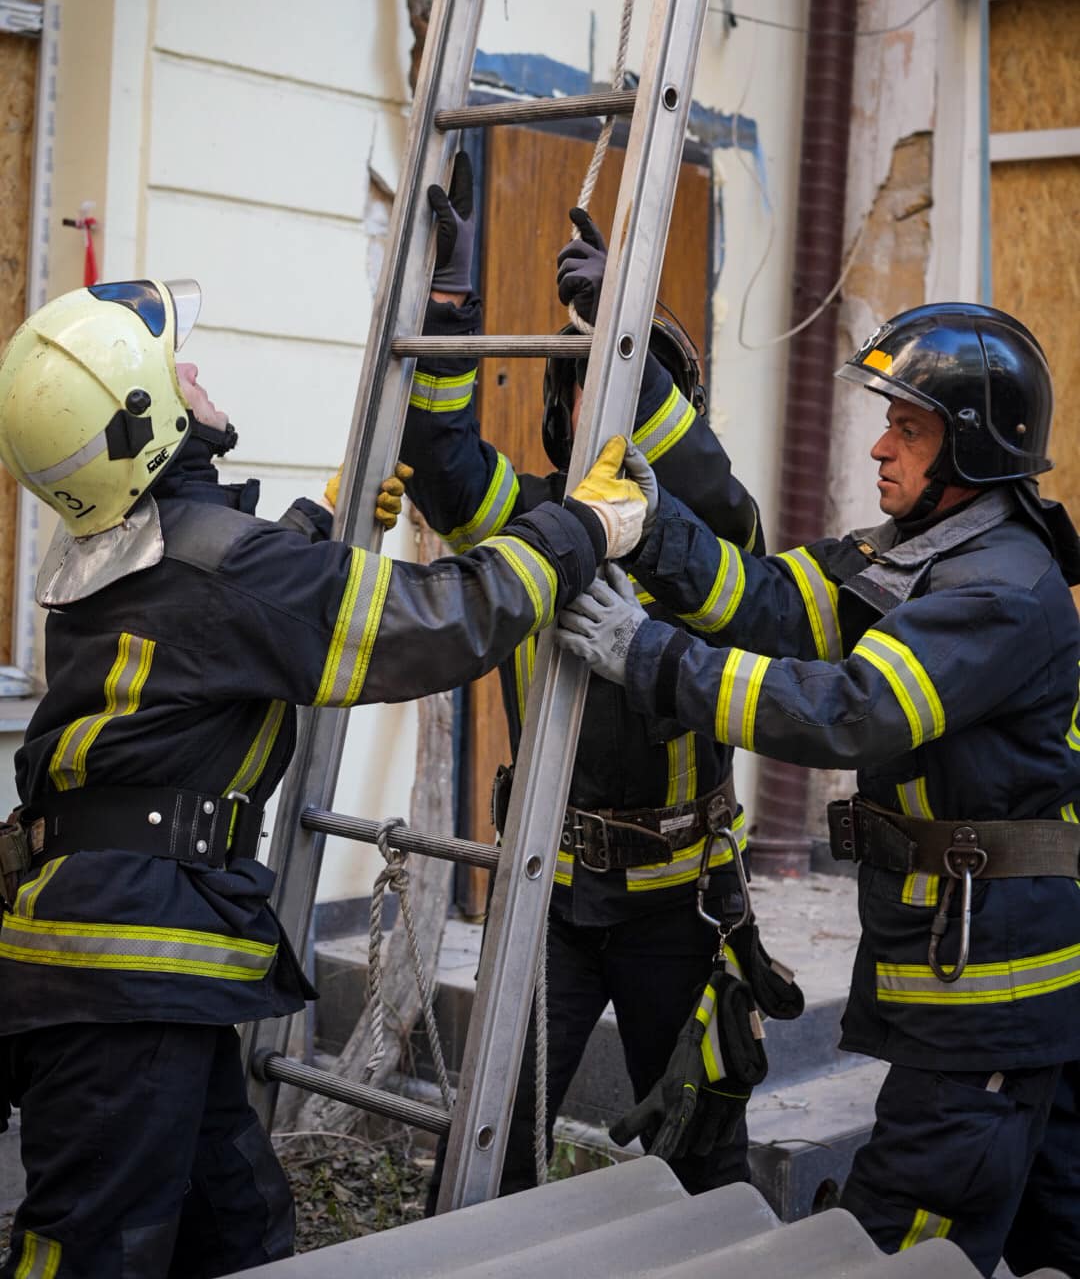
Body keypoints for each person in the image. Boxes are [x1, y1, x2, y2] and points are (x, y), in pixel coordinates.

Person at [0, 274, 652, 1279]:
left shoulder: (120, 550)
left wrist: (324, 518)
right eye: (177, 367)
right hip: (130, 971)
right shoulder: (220, 570)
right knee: (96, 1250)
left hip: (127, 956)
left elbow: (221, 619)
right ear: (147, 418)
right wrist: (584, 528)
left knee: (239, 1227)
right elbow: (442, 621)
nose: (197, 370)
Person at [556, 302, 1080, 1277]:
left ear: (968, 445)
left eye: (909, 427)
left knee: (897, 1245)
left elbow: (852, 707)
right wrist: (653, 526)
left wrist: (648, 654)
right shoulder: (924, 552)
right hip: (991, 990)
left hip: (989, 1003)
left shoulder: (998, 591)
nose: (880, 445)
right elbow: (769, 601)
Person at [404, 156, 796, 1200]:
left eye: (629, 399)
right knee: (490, 1143)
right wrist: (448, 308)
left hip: (681, 905)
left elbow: (705, 496)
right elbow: (443, 469)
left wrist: (623, 316)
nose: (603, 423)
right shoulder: (538, 518)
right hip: (554, 899)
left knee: (705, 1150)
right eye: (587, 396)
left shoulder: (717, 534)